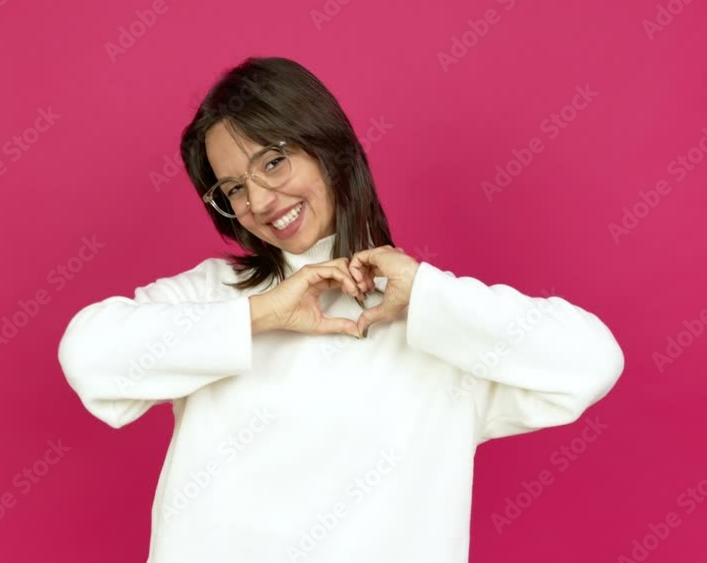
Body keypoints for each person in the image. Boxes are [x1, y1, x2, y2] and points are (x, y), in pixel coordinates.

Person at [57, 56, 625, 563]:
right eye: (233, 189)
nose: (259, 201)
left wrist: (425, 294)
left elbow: (590, 362)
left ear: (328, 148)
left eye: (273, 162)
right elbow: (87, 355)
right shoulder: (216, 296)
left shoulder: (438, 321)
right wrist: (263, 313)